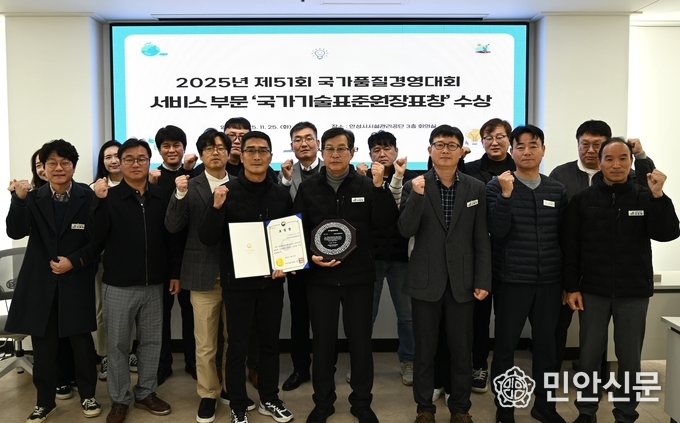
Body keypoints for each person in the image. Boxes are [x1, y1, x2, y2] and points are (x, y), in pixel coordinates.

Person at [563, 138, 680, 423]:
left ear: (631, 161)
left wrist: (659, 196)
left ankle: (626, 414)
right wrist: (572, 287)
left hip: (633, 291)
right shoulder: (583, 200)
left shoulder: (645, 196)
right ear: (599, 162)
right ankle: (586, 412)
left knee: (629, 359)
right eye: (610, 159)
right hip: (593, 290)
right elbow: (570, 247)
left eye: (623, 158)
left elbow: (667, 233)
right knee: (589, 356)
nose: (616, 165)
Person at [294, 127, 398, 423]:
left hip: (358, 278)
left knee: (360, 343)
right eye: (329, 148)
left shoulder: (366, 185)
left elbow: (386, 222)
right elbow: (298, 228)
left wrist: (379, 188)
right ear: (321, 151)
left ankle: (362, 402)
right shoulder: (308, 187)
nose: (335, 154)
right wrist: (310, 258)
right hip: (321, 279)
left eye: (342, 148)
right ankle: (323, 402)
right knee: (323, 343)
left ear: (352, 153)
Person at [199, 131, 295, 423]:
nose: (256, 156)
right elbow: (207, 236)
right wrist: (216, 207)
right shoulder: (226, 192)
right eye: (250, 150)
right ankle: (238, 404)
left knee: (269, 344)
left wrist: (286, 262)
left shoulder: (280, 194)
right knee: (237, 347)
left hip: (271, 282)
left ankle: (269, 398)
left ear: (270, 156)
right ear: (240, 156)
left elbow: (288, 238)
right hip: (237, 284)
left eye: (262, 151)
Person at [398, 125, 490, 423]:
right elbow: (405, 230)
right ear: (430, 150)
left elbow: (481, 237)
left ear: (462, 151)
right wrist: (416, 197)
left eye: (452, 145)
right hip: (425, 280)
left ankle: (461, 409)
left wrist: (482, 279)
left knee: (462, 351)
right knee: (425, 351)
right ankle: (424, 408)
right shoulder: (416, 184)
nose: (446, 150)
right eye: (439, 145)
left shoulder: (475, 187)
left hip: (463, 281)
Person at [6, 139, 102, 422]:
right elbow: (15, 231)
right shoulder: (32, 198)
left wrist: (74, 260)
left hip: (76, 279)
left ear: (73, 166)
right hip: (41, 282)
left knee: (81, 344)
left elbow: (98, 241)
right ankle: (44, 402)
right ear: (43, 168)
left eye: (65, 163)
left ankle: (88, 396)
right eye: (52, 163)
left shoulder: (88, 196)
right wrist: (18, 199)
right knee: (44, 346)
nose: (58, 168)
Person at [549, 120, 655, 372]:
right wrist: (570, 283)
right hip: (581, 276)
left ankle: (617, 390)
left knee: (626, 352)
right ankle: (561, 383)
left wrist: (642, 157)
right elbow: (568, 237)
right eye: (584, 144)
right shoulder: (562, 176)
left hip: (628, 282)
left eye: (596, 144)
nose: (589, 149)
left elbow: (651, 190)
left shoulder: (631, 183)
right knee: (578, 341)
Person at [91, 138, 182, 423]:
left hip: (154, 284)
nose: (135, 164)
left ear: (149, 161)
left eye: (141, 158)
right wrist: (98, 202)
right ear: (119, 162)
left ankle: (146, 392)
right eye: (128, 159)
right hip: (118, 284)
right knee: (118, 346)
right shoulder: (109, 197)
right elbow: (95, 236)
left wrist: (174, 273)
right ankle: (119, 400)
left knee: (152, 342)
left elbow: (172, 238)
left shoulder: (161, 196)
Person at [486, 125, 567, 423]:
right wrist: (506, 195)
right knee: (505, 347)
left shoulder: (556, 189)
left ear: (543, 150)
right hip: (511, 280)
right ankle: (505, 407)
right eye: (520, 146)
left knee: (547, 347)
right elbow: (497, 230)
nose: (527, 151)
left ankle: (545, 405)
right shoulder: (496, 186)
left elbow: (564, 237)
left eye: (534, 145)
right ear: (512, 151)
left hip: (549, 281)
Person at [165, 128, 238, 423]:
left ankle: (231, 388)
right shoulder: (189, 185)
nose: (215, 152)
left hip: (237, 275)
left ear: (228, 152)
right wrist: (179, 194)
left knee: (234, 339)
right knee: (205, 343)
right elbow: (172, 226)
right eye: (208, 148)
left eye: (220, 147)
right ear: (201, 154)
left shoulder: (240, 184)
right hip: (201, 273)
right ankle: (208, 394)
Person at [364, 130, 417, 386]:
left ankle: (409, 361)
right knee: (366, 315)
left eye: (387, 148)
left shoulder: (413, 179)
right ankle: (361, 363)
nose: (382, 154)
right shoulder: (362, 180)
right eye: (376, 150)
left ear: (396, 151)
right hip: (371, 258)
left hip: (401, 258)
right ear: (370, 154)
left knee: (407, 316)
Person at [149, 125, 197, 385]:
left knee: (192, 315)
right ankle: (163, 364)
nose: (171, 150)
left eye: (176, 145)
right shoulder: (152, 178)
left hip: (190, 257)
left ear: (184, 147)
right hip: (161, 258)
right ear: (159, 150)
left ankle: (192, 362)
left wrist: (188, 172)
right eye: (166, 146)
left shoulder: (194, 176)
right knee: (160, 316)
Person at [278, 121, 323, 391]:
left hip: (328, 255)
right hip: (297, 257)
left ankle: (325, 369)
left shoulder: (334, 168)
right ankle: (300, 368)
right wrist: (284, 182)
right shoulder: (284, 174)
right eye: (298, 139)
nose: (303, 143)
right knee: (299, 315)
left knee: (325, 317)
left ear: (318, 143)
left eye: (308, 138)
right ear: (292, 145)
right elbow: (279, 211)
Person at [91, 140, 123, 382]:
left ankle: (127, 352)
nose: (113, 160)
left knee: (130, 309)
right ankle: (104, 355)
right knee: (102, 309)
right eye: (107, 157)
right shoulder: (95, 189)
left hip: (129, 258)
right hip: (101, 259)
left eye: (117, 155)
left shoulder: (139, 184)